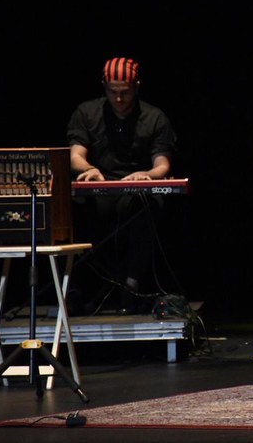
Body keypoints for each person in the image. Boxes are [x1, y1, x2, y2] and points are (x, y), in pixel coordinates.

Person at [67, 57, 178, 315]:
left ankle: (131, 285)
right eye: (112, 92)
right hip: (98, 186)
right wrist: (89, 169)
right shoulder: (87, 113)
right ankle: (77, 288)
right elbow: (75, 156)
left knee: (146, 207)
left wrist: (147, 175)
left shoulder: (154, 117)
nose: (118, 98)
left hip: (135, 190)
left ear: (136, 87)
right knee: (74, 209)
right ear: (104, 87)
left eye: (125, 92)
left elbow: (162, 164)